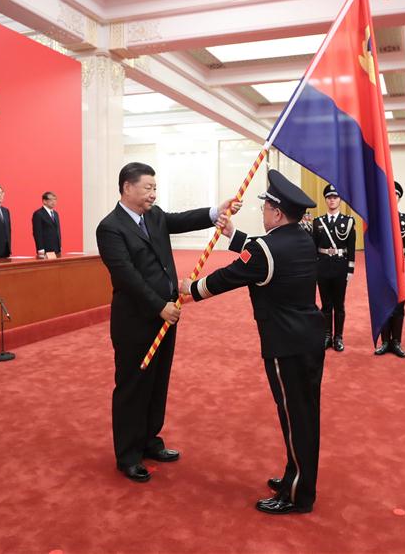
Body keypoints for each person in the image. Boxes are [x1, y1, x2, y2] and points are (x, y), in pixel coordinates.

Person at [181, 170, 325, 515]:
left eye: (265, 208)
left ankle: (298, 494)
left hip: (284, 342)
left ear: (276, 213)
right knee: (303, 413)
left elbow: (235, 273)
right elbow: (262, 253)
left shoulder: (268, 248)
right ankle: (295, 475)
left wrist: (194, 288)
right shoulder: (301, 237)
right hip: (308, 337)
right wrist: (233, 235)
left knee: (295, 417)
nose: (262, 213)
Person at [95, 162, 239, 483]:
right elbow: (127, 277)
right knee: (133, 386)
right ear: (127, 187)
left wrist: (217, 210)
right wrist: (159, 306)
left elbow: (181, 220)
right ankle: (128, 454)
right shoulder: (111, 227)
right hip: (136, 321)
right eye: (147, 188)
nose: (153, 194)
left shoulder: (155, 216)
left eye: (154, 188)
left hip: (167, 315)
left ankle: (149, 440)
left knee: (158, 382)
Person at [312, 184, 355, 352]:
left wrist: (350, 269)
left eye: (335, 197)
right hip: (322, 266)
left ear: (340, 200)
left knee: (339, 304)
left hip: (340, 266)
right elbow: (313, 248)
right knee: (325, 304)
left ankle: (338, 337)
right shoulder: (318, 222)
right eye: (329, 197)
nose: (332, 200)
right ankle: (327, 335)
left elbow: (351, 248)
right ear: (325, 200)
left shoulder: (348, 222)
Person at [376, 181, 405, 358]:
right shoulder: (377, 220)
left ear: (399, 198)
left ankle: (397, 342)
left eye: (395, 195)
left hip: (400, 268)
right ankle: (385, 341)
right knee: (384, 304)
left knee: (399, 305)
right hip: (383, 268)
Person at [32, 191, 61, 257]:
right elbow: (37, 232)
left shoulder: (55, 214)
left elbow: (57, 230)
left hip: (56, 248)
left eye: (55, 199)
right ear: (44, 201)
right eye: (51, 199)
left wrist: (59, 245)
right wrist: (40, 248)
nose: (53, 201)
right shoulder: (38, 214)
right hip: (46, 248)